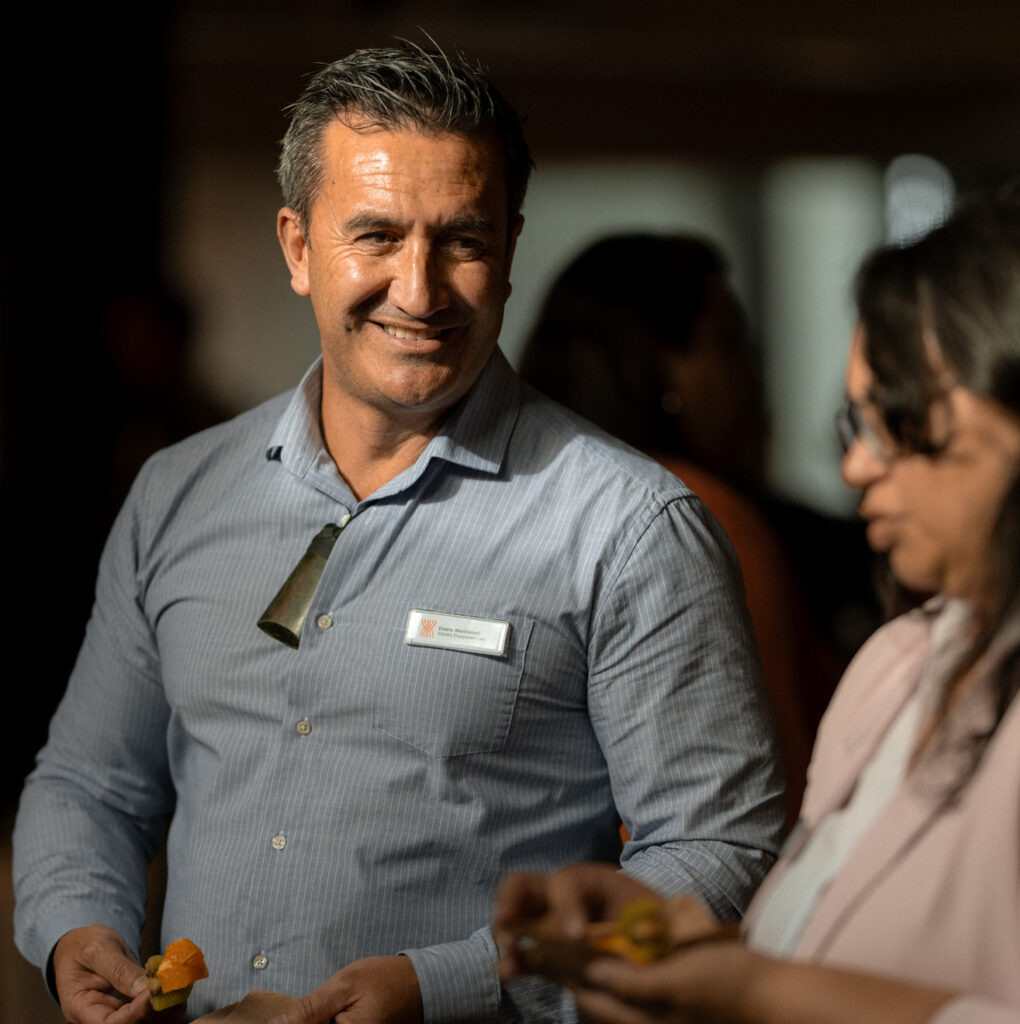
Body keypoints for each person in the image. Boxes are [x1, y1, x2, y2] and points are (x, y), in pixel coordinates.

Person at [12, 43, 787, 1024]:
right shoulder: (178, 493)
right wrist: (79, 928)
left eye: (459, 241)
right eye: (375, 236)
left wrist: (451, 984)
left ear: (507, 249)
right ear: (298, 247)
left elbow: (721, 858)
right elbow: (90, 783)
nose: (418, 292)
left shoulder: (630, 530)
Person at [493, 181, 1020, 1023]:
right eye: (855, 427)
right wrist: (659, 938)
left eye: (898, 415)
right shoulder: (900, 659)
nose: (855, 469)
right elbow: (815, 931)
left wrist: (755, 989)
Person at [519, 233, 840, 820]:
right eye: (729, 342)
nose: (750, 374)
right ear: (655, 364)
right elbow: (776, 799)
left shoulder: (516, 504)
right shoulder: (697, 517)